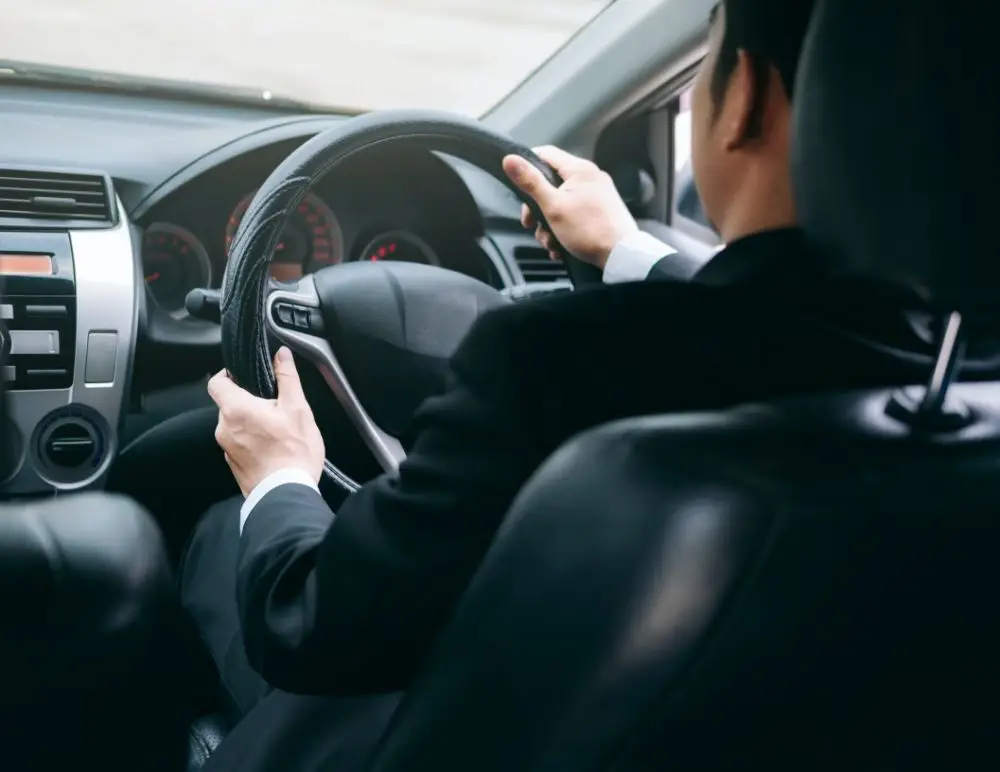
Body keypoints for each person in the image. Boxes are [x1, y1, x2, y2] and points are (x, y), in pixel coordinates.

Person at [182, 1, 873, 768]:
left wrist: (280, 477)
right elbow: (787, 323)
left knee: (221, 532)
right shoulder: (962, 373)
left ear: (741, 95)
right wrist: (627, 251)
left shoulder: (549, 364)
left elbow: (305, 623)